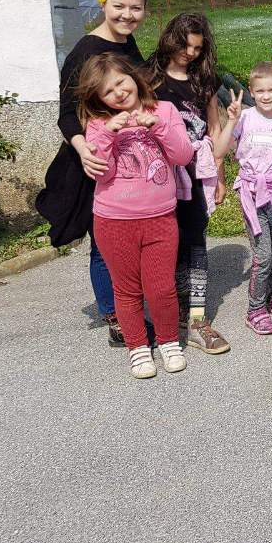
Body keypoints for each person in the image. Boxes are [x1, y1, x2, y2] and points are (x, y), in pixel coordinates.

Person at [36, 0, 148, 348]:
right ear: (105, 4)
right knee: (105, 245)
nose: (127, 15)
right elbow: (66, 114)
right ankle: (113, 313)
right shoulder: (84, 52)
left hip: (130, 156)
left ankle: (131, 302)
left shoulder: (128, 44)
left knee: (131, 238)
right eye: (119, 6)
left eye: (135, 8)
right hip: (95, 160)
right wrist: (84, 149)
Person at [78, 52, 195, 379]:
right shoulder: (98, 124)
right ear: (99, 98)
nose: (117, 93)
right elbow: (102, 174)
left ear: (133, 77)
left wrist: (158, 127)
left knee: (162, 288)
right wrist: (107, 134)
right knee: (127, 290)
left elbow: (183, 155)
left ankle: (169, 341)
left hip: (160, 217)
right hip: (114, 221)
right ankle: (138, 348)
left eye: (120, 82)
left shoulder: (164, 110)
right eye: (107, 91)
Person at [147, 12, 231, 355]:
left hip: (196, 173)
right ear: (171, 40)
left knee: (196, 240)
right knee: (168, 243)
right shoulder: (149, 77)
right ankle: (173, 309)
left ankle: (197, 319)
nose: (191, 53)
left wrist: (220, 176)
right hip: (159, 176)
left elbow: (213, 128)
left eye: (197, 48)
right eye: (185, 46)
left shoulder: (203, 80)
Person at [221, 62, 272, 335]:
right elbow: (223, 148)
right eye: (260, 91)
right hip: (252, 193)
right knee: (263, 255)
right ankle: (255, 309)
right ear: (251, 91)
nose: (266, 96)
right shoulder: (245, 118)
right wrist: (231, 121)